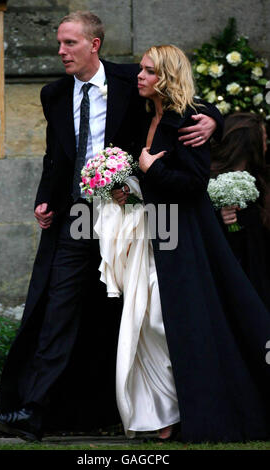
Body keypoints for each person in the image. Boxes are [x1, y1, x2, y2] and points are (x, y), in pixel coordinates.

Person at [0, 13, 221, 442]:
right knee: (59, 307)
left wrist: (215, 119)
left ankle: (170, 408)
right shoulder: (53, 93)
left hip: (131, 216)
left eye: (70, 43)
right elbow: (54, 155)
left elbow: (183, 93)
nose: (61, 52)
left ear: (94, 45)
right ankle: (34, 413)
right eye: (59, 43)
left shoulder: (134, 78)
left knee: (144, 312)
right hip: (78, 215)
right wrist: (44, 198)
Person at [110, 45, 270, 443]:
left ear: (165, 77)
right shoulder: (144, 111)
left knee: (171, 322)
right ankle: (162, 416)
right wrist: (128, 186)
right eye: (141, 70)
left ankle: (193, 410)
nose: (140, 77)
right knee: (146, 322)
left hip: (182, 237)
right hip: (150, 232)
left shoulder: (186, 120)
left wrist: (154, 168)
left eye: (148, 71)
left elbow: (194, 184)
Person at [210, 113, 270, 310]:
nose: (266, 145)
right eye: (263, 139)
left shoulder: (261, 181)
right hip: (233, 284)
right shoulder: (210, 183)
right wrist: (224, 220)